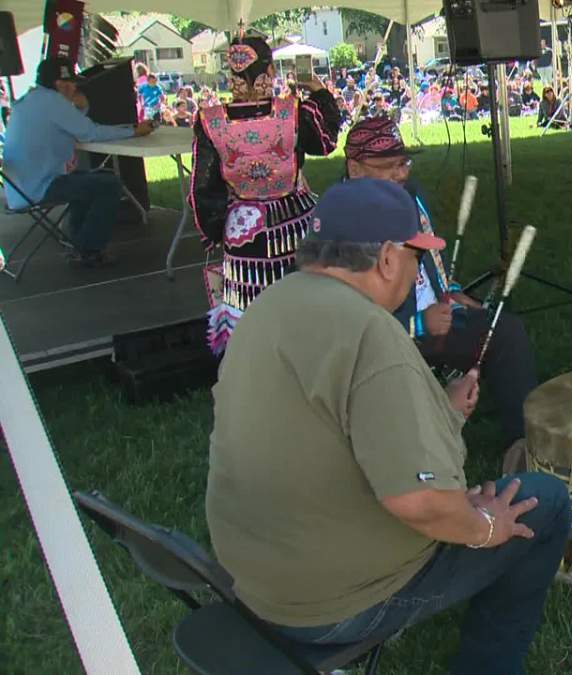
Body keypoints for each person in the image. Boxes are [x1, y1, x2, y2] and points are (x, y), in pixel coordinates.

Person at [206, 178, 571, 673]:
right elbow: (418, 500)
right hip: (327, 608)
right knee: (543, 503)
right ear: (386, 259)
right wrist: (483, 526)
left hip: (251, 582)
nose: (416, 269)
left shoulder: (266, 307)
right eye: (416, 258)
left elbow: (335, 423)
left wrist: (440, 408)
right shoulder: (371, 333)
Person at [343, 117, 539, 454]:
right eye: (388, 166)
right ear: (355, 169)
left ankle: (522, 447)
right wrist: (420, 323)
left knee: (505, 331)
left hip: (436, 315)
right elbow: (352, 329)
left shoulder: (409, 194)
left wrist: (450, 290)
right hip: (391, 343)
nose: (401, 174)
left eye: (403, 162)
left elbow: (425, 260)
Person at [189, 36, 340, 353]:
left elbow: (204, 187)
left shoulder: (211, 121)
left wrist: (215, 230)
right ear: (269, 69)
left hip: (244, 228)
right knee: (303, 295)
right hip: (294, 221)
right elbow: (326, 141)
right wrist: (320, 91)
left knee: (248, 305)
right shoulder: (293, 112)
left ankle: (255, 367)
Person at [2, 58, 154, 267]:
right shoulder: (52, 102)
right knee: (108, 185)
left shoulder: (31, 100)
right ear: (59, 84)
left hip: (20, 189)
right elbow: (90, 132)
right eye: (71, 83)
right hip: (39, 188)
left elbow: (71, 125)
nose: (75, 87)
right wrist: (134, 131)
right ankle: (89, 249)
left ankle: (77, 240)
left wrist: (82, 108)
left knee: (94, 180)